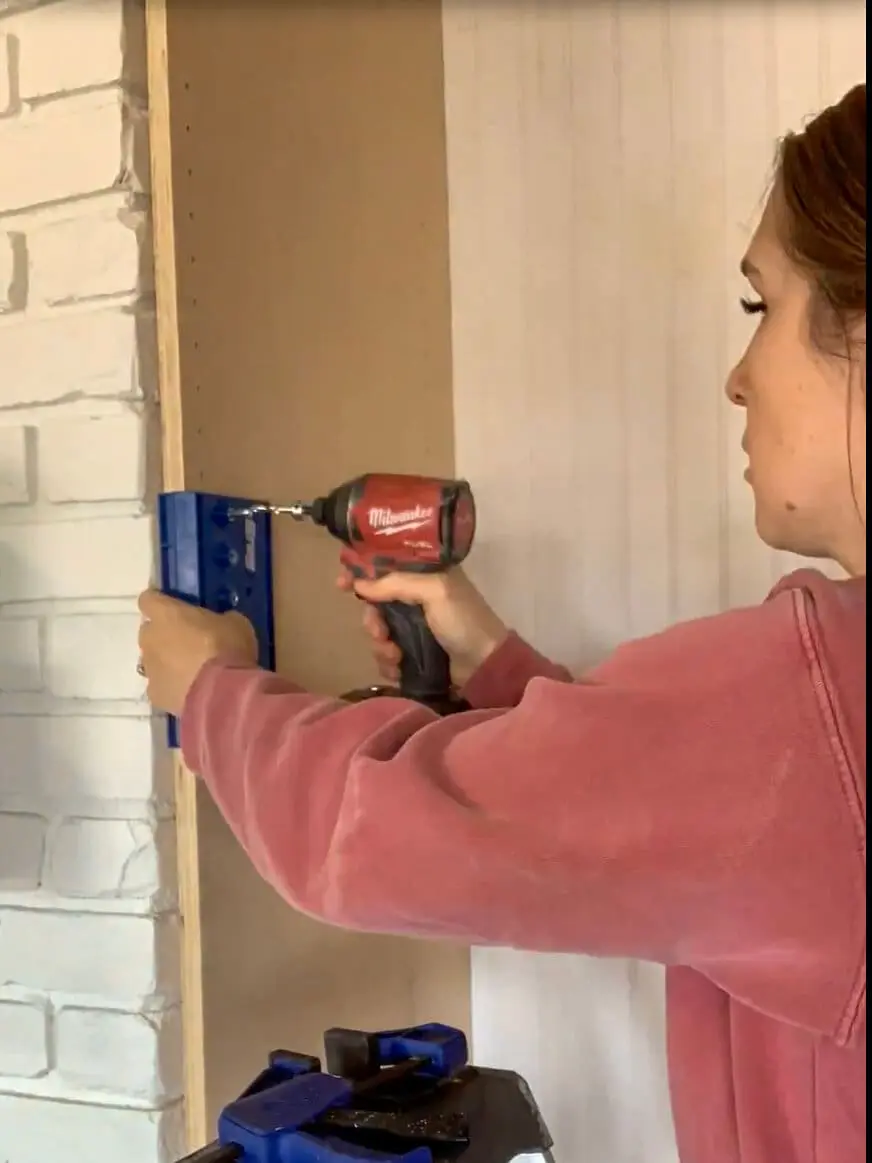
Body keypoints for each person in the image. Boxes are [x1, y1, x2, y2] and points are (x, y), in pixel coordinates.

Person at [138, 82, 866, 1163]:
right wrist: (505, 673)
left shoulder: (814, 697)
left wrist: (211, 687)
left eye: (759, 306)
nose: (735, 376)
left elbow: (371, 831)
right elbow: (697, 827)